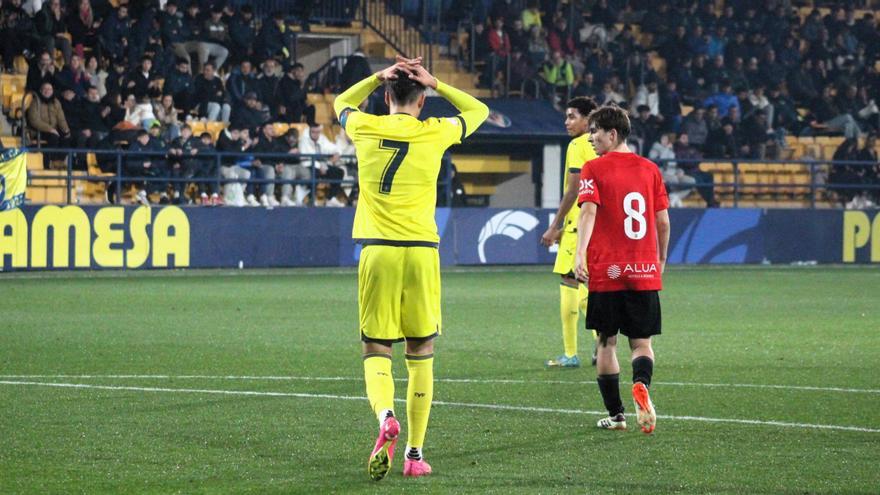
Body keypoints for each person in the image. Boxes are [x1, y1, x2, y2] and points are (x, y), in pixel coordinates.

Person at [333, 55, 488, 480]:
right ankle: (415, 455)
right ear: (421, 101)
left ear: (385, 97)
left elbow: (340, 103)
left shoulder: (365, 126)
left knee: (375, 348)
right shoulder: (434, 133)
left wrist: (377, 75)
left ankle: (386, 416)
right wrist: (437, 81)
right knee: (421, 354)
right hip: (422, 251)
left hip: (377, 250)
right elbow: (479, 111)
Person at [574, 105, 670, 435]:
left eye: (595, 132)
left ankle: (616, 416)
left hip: (608, 271)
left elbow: (587, 213)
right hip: (643, 269)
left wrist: (579, 254)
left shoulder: (593, 169)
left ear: (612, 134)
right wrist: (660, 262)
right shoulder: (650, 170)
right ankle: (641, 384)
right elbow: (663, 222)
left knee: (606, 343)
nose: (590, 138)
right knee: (641, 344)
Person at [540, 96, 599, 368]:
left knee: (570, 282)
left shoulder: (578, 144)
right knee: (587, 284)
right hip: (599, 223)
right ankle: (603, 337)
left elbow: (574, 189)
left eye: (572, 116)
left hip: (579, 223)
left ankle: (571, 352)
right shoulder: (607, 144)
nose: (567, 122)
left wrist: (555, 226)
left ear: (588, 120)